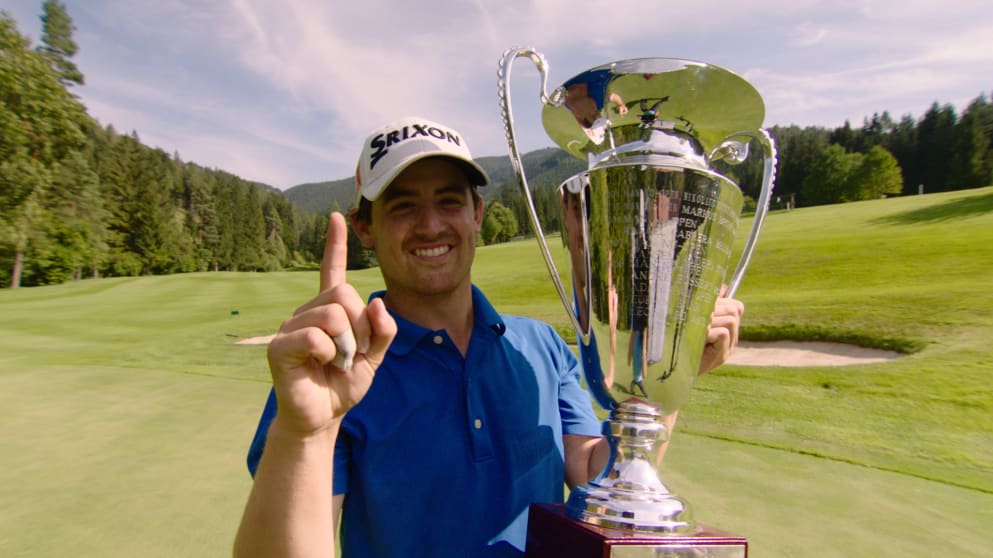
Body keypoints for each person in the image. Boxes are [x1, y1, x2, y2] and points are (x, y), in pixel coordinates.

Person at [233, 116, 743, 558]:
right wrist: (307, 434)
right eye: (403, 206)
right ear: (366, 228)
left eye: (450, 201)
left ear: (476, 214)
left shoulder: (541, 348)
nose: (431, 225)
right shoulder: (333, 372)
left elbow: (594, 473)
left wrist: (666, 382)